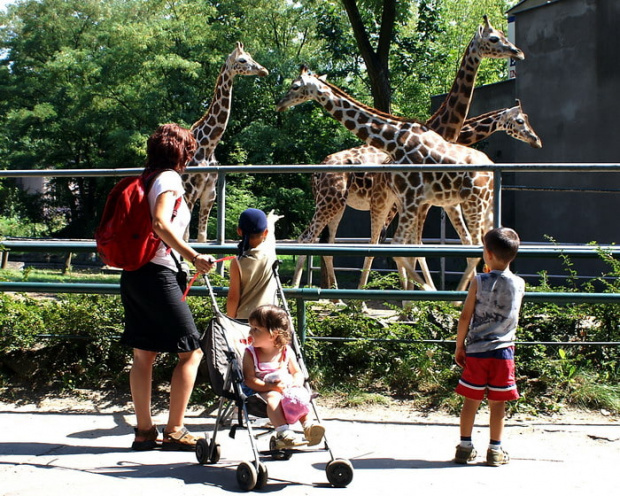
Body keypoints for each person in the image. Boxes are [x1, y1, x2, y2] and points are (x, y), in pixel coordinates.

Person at [120, 123, 215, 451]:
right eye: (190, 151)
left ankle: (145, 431)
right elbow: (160, 223)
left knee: (144, 353)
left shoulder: (144, 178)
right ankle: (175, 429)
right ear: (182, 153)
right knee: (192, 352)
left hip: (135, 273)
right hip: (158, 274)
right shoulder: (170, 179)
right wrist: (193, 255)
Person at [453, 227, 525, 466]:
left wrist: (459, 346)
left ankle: (464, 447)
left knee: (471, 401)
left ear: (489, 254)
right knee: (498, 403)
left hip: (477, 351)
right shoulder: (520, 283)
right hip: (504, 352)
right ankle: (495, 450)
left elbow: (465, 316)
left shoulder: (479, 280)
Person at [242, 304, 325, 448]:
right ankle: (284, 433)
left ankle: (309, 426)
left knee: (299, 396)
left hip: (287, 388)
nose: (250, 332)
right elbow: (249, 379)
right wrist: (270, 387)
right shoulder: (250, 353)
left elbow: (297, 372)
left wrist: (296, 383)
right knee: (274, 397)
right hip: (262, 390)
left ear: (273, 334)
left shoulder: (286, 351)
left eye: (256, 329)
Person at [226, 208, 281, 319]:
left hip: (244, 320)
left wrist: (230, 321)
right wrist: (270, 220)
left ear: (239, 231)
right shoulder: (270, 252)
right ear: (265, 232)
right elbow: (270, 234)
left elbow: (233, 298)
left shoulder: (237, 262)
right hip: (269, 318)